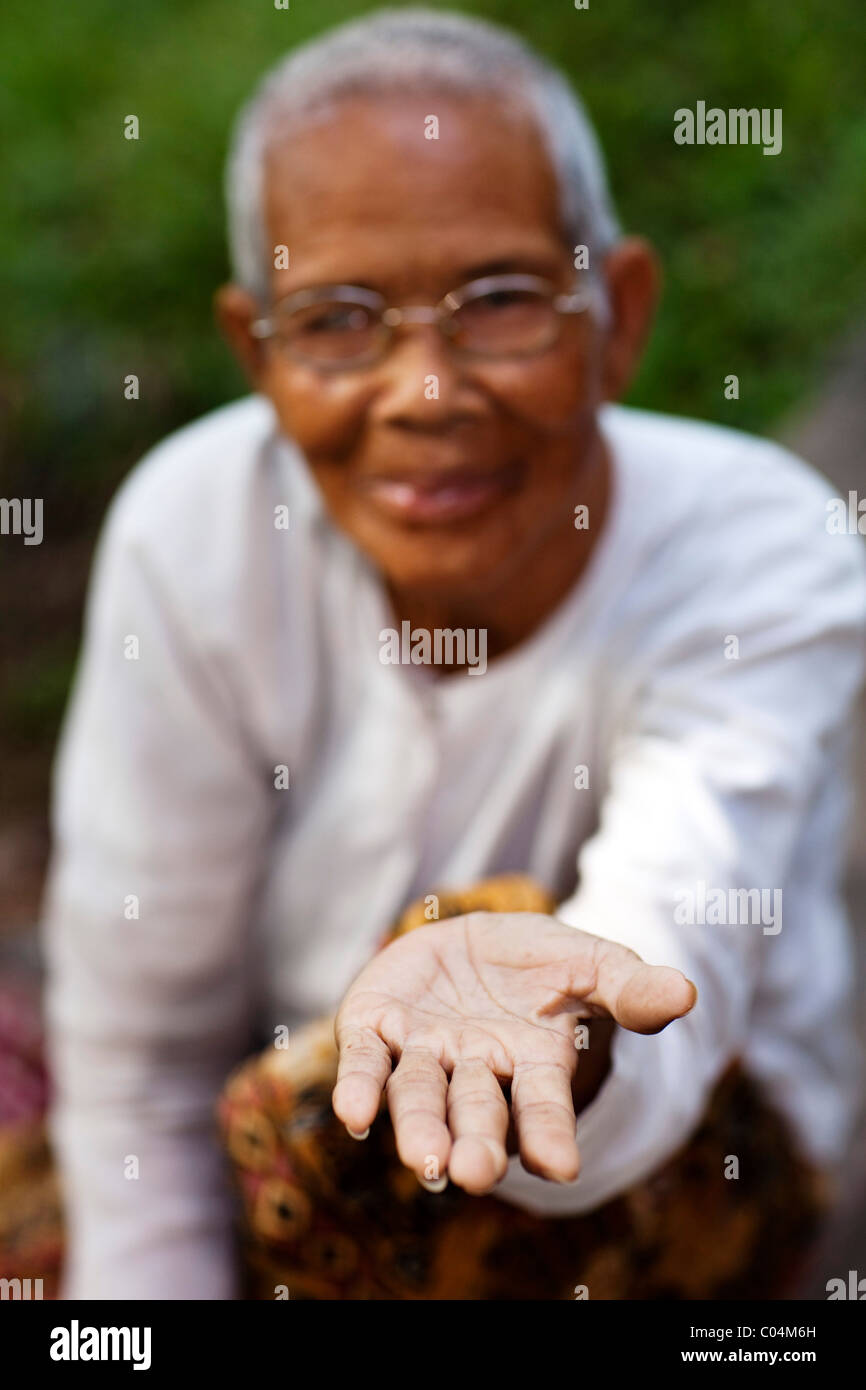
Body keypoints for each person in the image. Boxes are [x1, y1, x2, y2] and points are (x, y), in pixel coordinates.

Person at [41, 7, 866, 1300]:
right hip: (296, 1116)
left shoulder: (755, 545)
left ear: (621, 314)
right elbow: (142, 1048)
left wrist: (567, 1020)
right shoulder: (194, 529)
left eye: (497, 303)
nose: (424, 390)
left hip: (684, 1144)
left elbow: (677, 941)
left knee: (375, 1106)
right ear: (257, 355)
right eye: (337, 321)